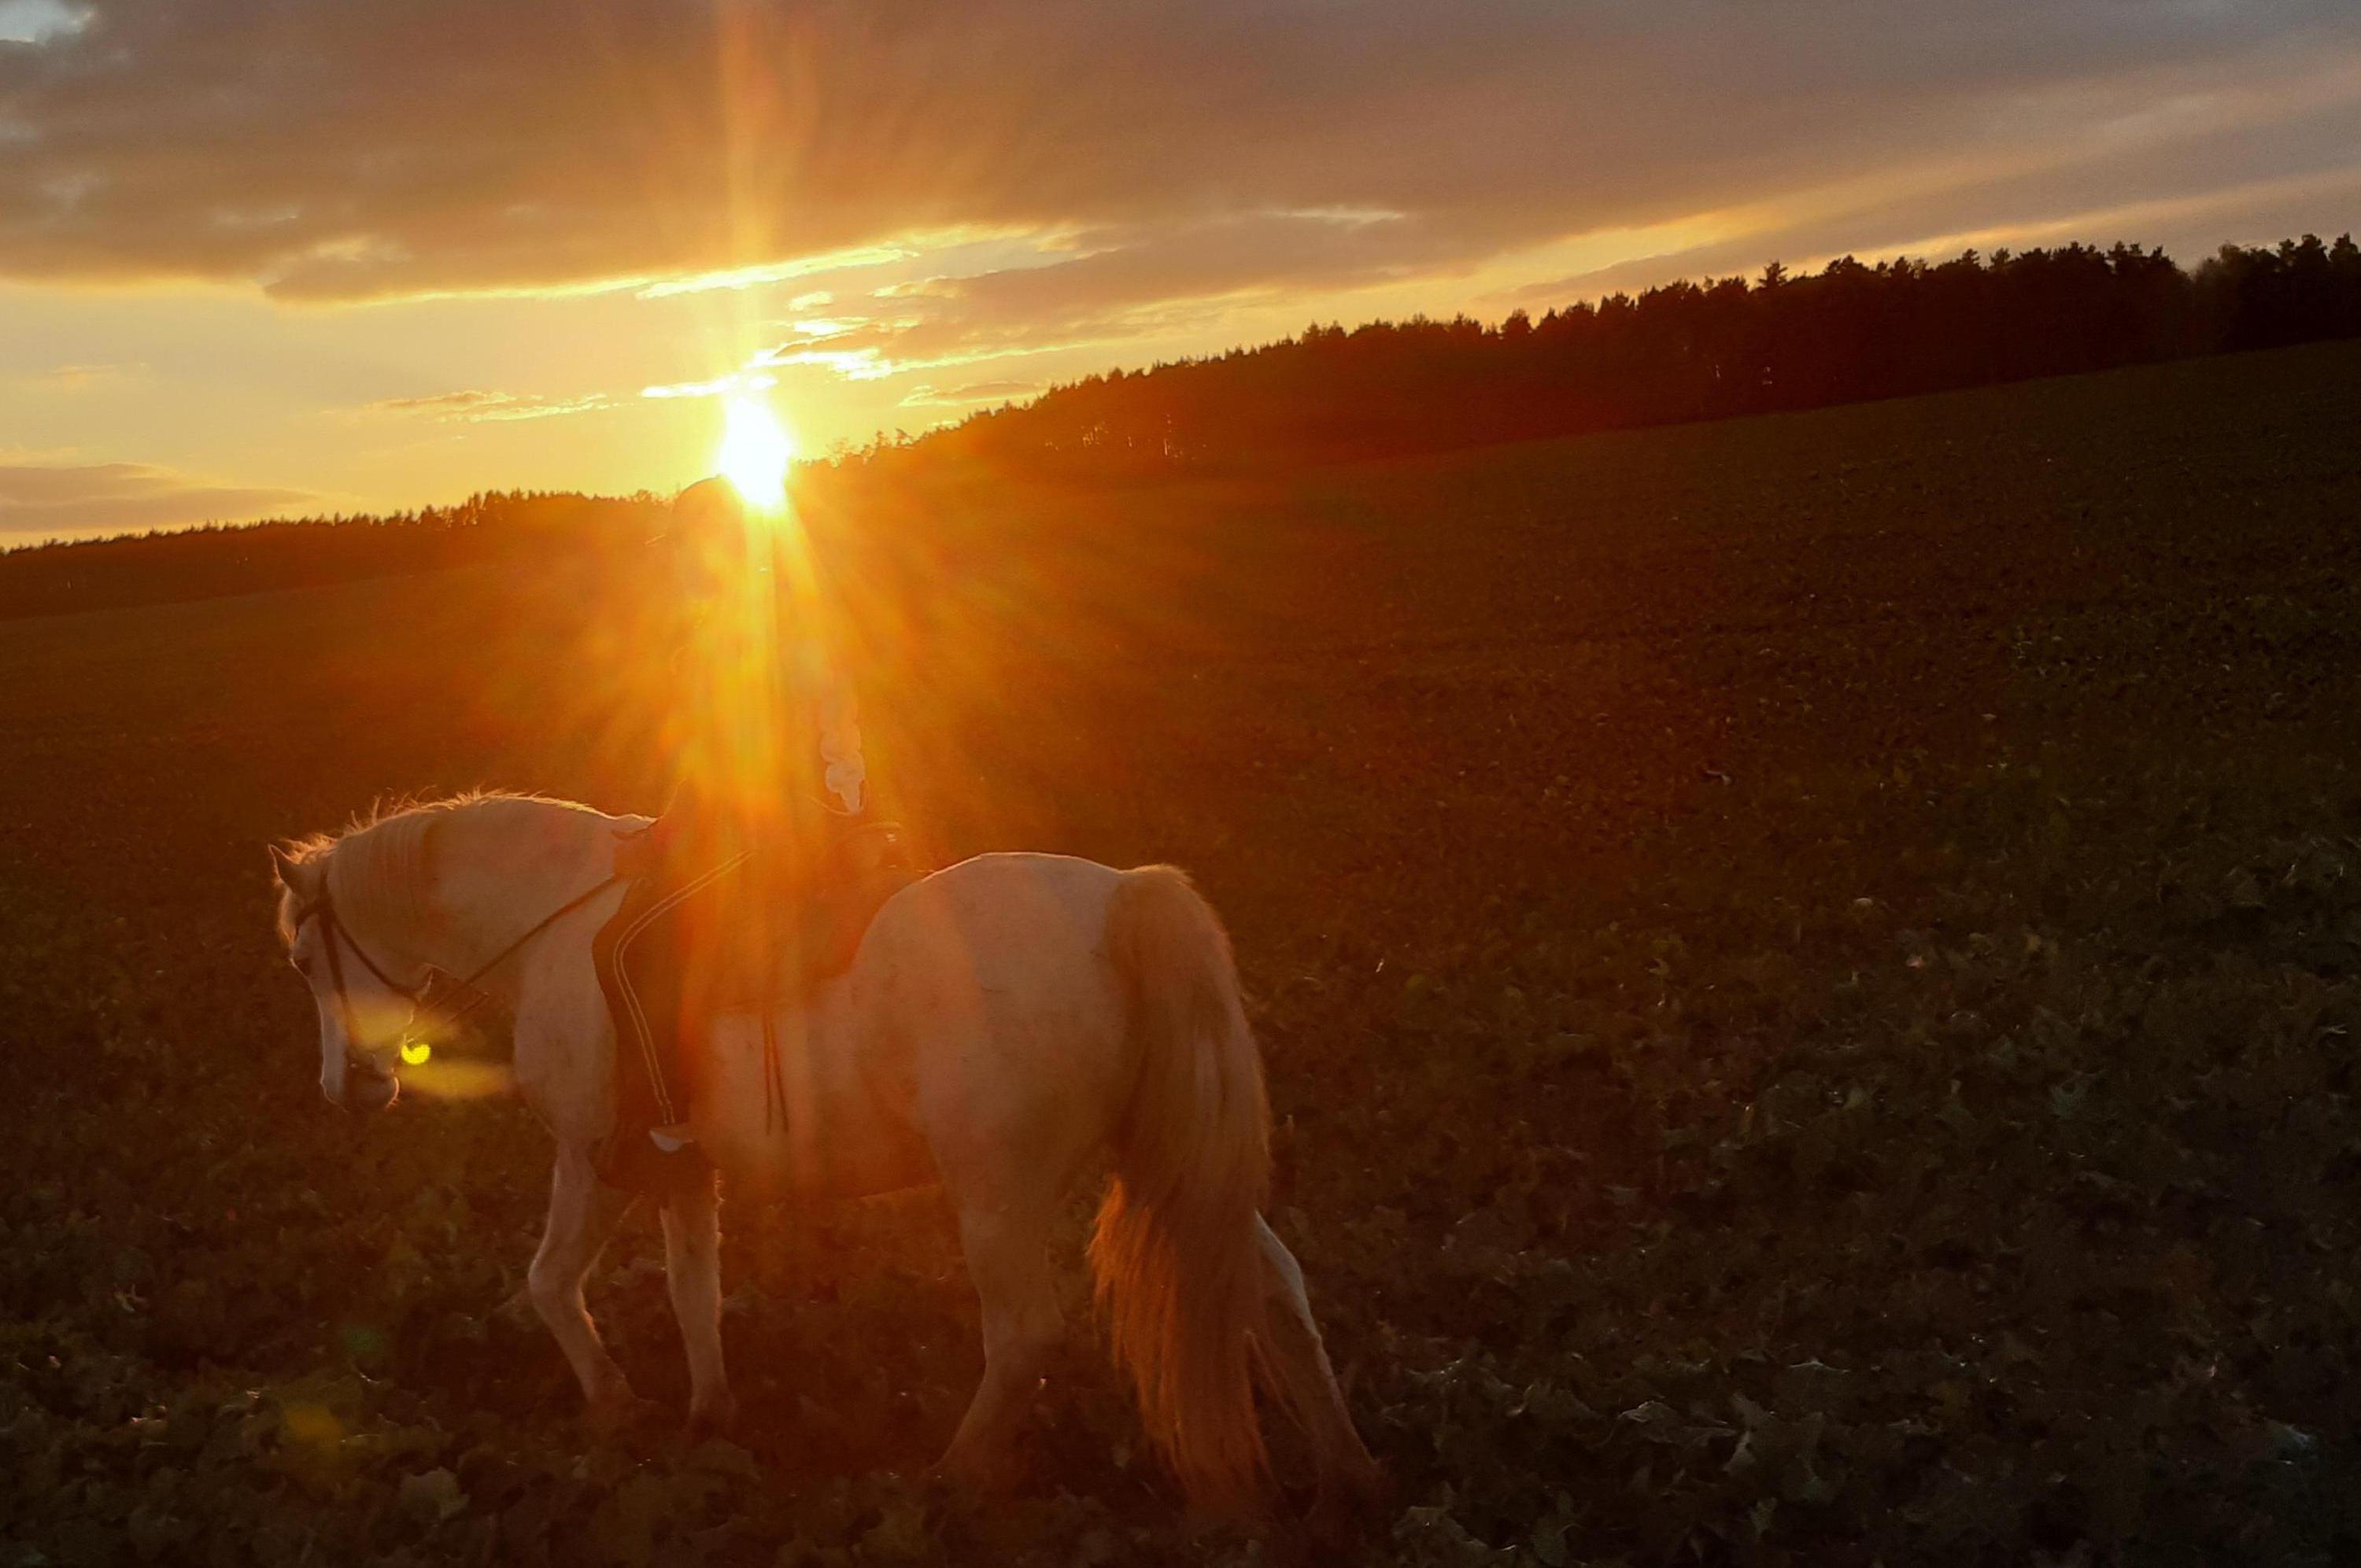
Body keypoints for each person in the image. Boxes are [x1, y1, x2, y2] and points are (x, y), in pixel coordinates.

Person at [593, 475, 875, 1190]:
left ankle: (669, 1131)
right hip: (831, 813)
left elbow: (725, 764)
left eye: (687, 547)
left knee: (621, 947)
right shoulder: (783, 611)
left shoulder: (731, 634)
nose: (680, 563)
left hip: (777, 831)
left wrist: (658, 842)